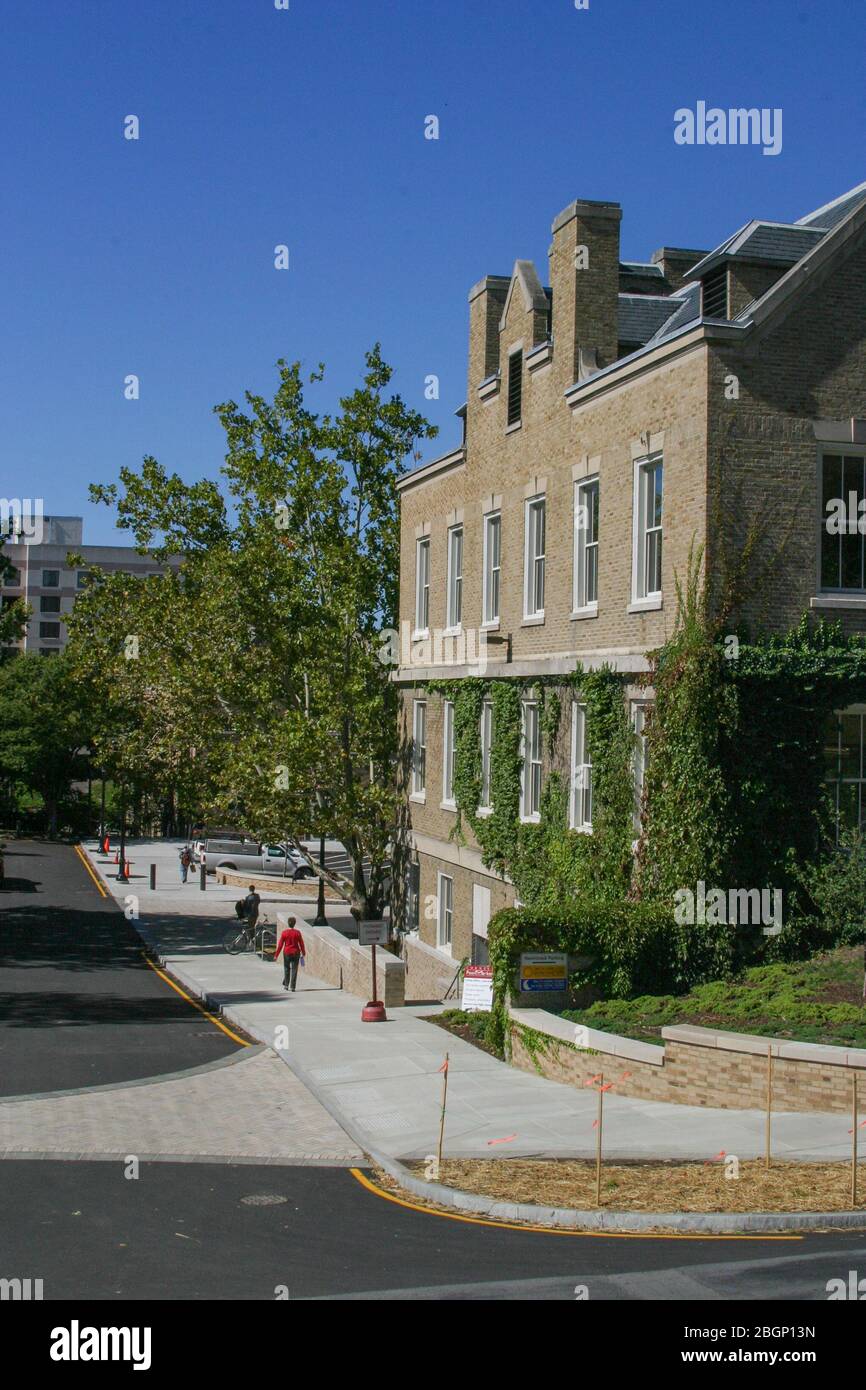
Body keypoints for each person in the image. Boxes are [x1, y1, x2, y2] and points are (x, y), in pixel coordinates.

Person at [274, 915, 306, 992]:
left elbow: (280, 945)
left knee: (286, 968)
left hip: (287, 952)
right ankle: (293, 987)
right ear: (294, 924)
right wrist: (303, 952)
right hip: (296, 952)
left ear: (288, 923)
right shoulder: (297, 933)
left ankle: (286, 985)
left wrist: (276, 955)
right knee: (294, 969)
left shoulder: (284, 933)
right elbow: (301, 943)